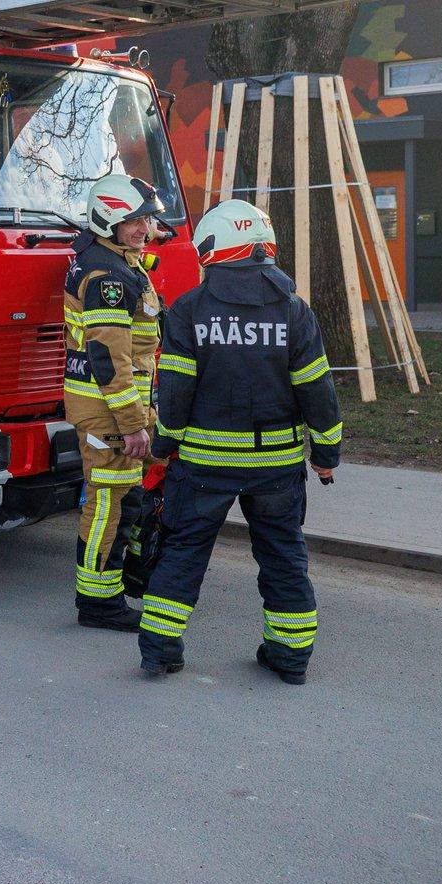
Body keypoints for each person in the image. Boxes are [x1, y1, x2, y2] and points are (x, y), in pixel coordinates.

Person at [138, 199, 343, 684]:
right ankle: (290, 658)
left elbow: (176, 392)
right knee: (283, 555)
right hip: (276, 466)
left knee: (184, 552)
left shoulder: (188, 311)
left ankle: (160, 653)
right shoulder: (295, 312)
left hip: (204, 466)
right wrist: (327, 455)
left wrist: (164, 447)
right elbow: (318, 389)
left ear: (212, 248)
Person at [63, 173, 167, 630]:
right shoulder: (107, 276)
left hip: (118, 407)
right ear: (108, 220)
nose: (144, 229)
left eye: (146, 220)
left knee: (127, 497)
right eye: (134, 221)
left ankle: (123, 579)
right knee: (108, 501)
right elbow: (108, 358)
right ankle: (98, 602)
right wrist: (132, 423)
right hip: (109, 411)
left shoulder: (113, 258)